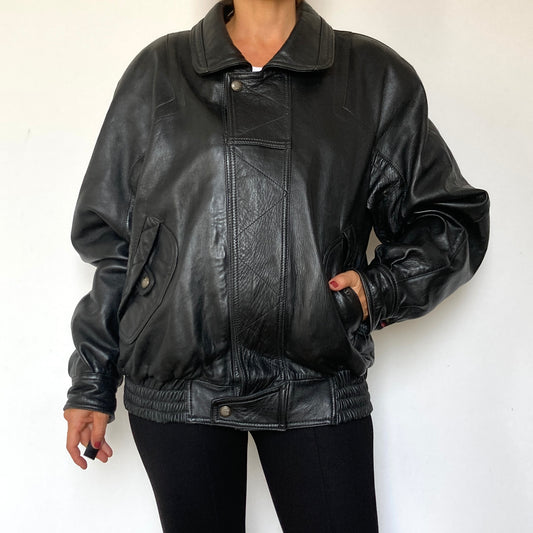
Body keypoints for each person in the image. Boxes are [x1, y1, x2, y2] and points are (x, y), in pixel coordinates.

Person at [63, 1, 490, 531]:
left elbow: (450, 220)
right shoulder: (159, 72)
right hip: (178, 387)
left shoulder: (371, 77)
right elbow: (115, 242)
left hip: (315, 384)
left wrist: (378, 290)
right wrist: (92, 379)